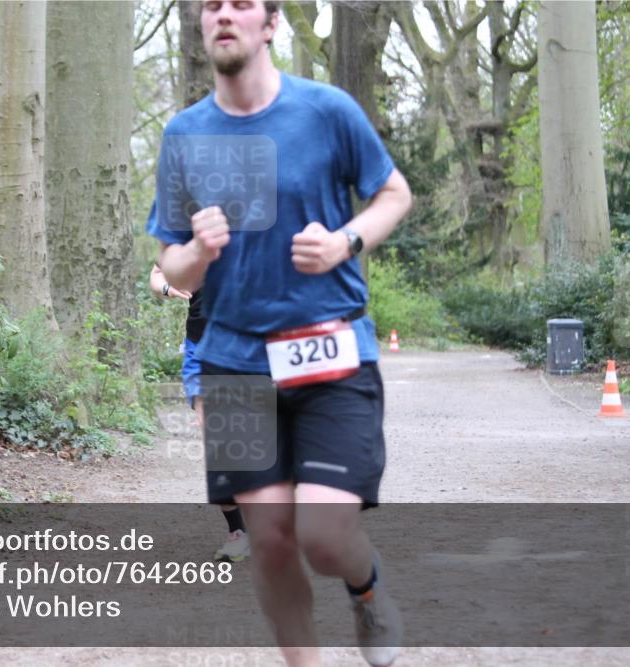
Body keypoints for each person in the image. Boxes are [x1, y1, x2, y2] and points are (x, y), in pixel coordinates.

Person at [147, 2, 413, 666]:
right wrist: (198, 253)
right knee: (267, 538)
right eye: (212, 6)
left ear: (270, 25)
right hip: (234, 360)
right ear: (204, 28)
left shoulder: (326, 112)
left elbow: (394, 194)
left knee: (323, 535)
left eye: (241, 4)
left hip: (331, 353)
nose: (224, 15)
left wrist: (346, 241)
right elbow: (169, 261)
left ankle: (367, 587)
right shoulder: (185, 134)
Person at [148, 262, 250, 563]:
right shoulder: (190, 232)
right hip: (200, 349)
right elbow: (156, 274)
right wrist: (167, 287)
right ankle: (238, 533)